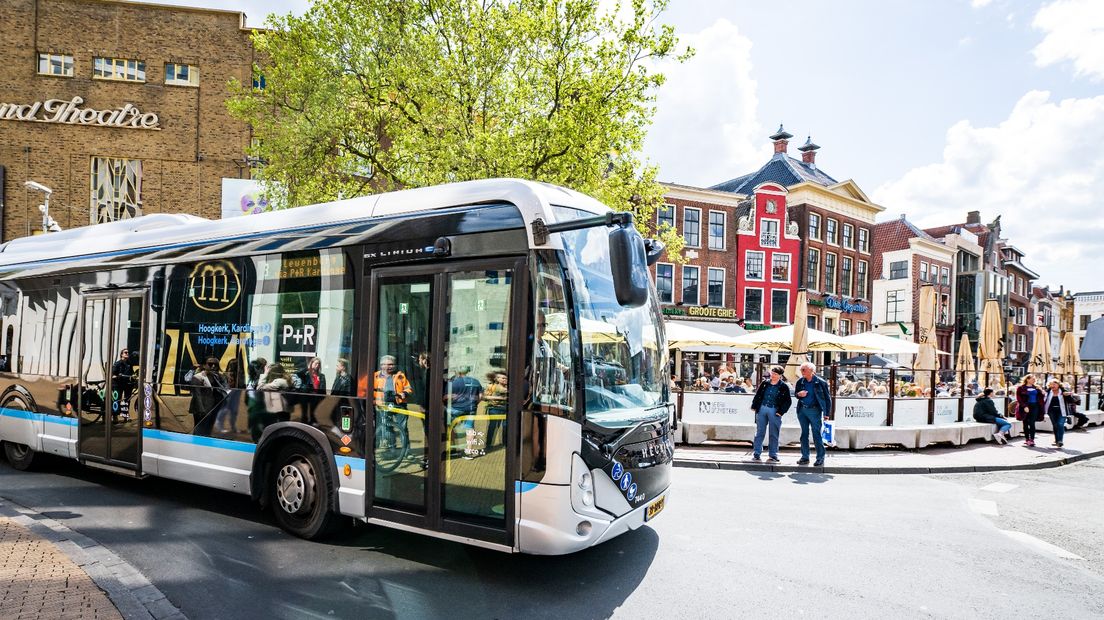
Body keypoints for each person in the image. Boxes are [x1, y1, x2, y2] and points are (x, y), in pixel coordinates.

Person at [749, 366, 792, 464]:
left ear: (780, 376)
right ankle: (756, 453)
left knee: (774, 433)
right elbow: (758, 394)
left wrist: (781, 412)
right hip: (762, 409)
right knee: (760, 431)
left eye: (775, 374)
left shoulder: (783, 386)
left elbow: (787, 401)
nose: (773, 375)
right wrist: (754, 405)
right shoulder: (765, 383)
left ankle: (773, 454)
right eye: (772, 373)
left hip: (774, 410)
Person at [794, 361, 831, 466]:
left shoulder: (820, 382)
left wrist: (827, 414)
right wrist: (799, 394)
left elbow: (827, 399)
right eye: (801, 370)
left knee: (817, 435)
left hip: (815, 411)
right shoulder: (800, 382)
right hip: (802, 410)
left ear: (811, 370)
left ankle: (820, 458)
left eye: (804, 370)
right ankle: (805, 457)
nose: (802, 372)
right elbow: (796, 394)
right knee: (804, 434)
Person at [374, 355, 414, 446]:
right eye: (387, 364)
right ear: (381, 365)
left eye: (391, 364)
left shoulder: (400, 375)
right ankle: (392, 448)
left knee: (403, 427)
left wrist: (404, 393)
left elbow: (409, 388)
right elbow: (371, 391)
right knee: (388, 426)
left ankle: (407, 452)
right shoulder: (376, 376)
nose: (389, 367)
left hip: (399, 404)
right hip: (383, 404)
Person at [446, 366, 484, 458]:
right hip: (471, 409)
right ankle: (469, 452)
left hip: (455, 408)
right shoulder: (476, 381)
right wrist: (474, 404)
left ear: (457, 373)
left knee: (449, 427)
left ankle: (452, 449)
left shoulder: (454, 382)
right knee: (470, 429)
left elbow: (447, 396)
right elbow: (481, 397)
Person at [186, 357, 227, 436]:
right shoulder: (198, 377)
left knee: (208, 429)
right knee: (199, 429)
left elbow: (223, 389)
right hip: (201, 409)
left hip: (213, 408)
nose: (213, 366)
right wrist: (201, 410)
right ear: (204, 365)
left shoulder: (218, 377)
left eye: (216, 364)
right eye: (210, 364)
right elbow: (197, 395)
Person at [296, 357, 327, 425]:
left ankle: (312, 424)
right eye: (316, 363)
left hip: (316, 398)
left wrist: (321, 398)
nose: (317, 365)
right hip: (305, 397)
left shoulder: (321, 376)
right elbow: (298, 373)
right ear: (312, 363)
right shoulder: (306, 374)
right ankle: (304, 424)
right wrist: (308, 367)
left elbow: (323, 388)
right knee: (304, 414)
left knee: (313, 413)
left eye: (319, 364)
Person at [1015, 374, 1043, 447]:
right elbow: (1018, 398)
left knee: (1032, 423)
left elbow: (1041, 397)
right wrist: (1024, 406)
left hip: (1035, 406)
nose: (1034, 380)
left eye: (1034, 379)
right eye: (1032, 379)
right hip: (1025, 406)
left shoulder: (1036, 387)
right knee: (1025, 423)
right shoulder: (1020, 388)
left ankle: (1032, 439)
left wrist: (1042, 393)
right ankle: (1027, 439)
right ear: (1027, 379)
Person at [484, 371, 508, 448]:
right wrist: (500, 398)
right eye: (503, 378)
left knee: (505, 427)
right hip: (494, 408)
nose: (505, 380)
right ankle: (488, 444)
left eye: (506, 378)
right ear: (497, 379)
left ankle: (505, 444)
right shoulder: (492, 387)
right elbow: (485, 397)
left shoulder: (509, 387)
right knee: (492, 427)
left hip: (506, 409)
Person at [110, 349, 135, 422]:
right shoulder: (117, 364)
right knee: (117, 399)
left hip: (127, 384)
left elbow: (132, 373)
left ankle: (125, 415)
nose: (127, 353)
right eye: (125, 352)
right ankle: (115, 416)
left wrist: (134, 376)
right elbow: (113, 374)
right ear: (121, 354)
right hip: (118, 384)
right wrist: (116, 376)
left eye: (128, 352)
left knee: (127, 400)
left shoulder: (129, 364)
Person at [1043, 379, 1068, 449]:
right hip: (1051, 411)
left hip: (1062, 411)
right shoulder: (1047, 392)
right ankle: (1057, 440)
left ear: (1058, 385)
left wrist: (1067, 395)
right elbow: (1043, 400)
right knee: (1055, 425)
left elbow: (1071, 400)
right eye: (1051, 384)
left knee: (1060, 424)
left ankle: (1060, 440)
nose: (1053, 385)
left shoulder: (1063, 391)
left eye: (1054, 384)